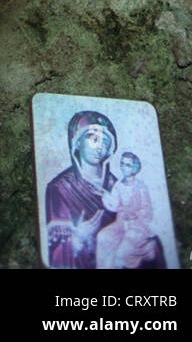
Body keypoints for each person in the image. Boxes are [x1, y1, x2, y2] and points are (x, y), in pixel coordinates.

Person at [45, 111, 119, 267]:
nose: (99, 147)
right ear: (77, 142)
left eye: (105, 142)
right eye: (94, 139)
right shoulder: (61, 188)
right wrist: (78, 236)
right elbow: (56, 250)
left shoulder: (116, 185)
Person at [96, 153, 166, 269]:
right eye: (122, 163)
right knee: (103, 236)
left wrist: (135, 214)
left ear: (134, 168)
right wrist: (105, 195)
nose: (123, 167)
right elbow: (114, 205)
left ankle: (146, 249)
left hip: (137, 226)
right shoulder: (118, 185)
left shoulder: (140, 187)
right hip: (121, 224)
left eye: (127, 165)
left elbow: (147, 211)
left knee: (122, 253)